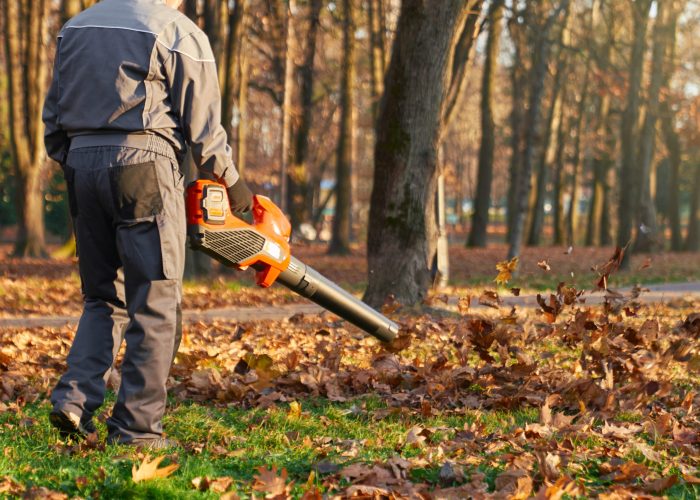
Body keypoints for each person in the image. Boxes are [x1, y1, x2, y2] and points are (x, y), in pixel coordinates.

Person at [42, 0, 252, 449]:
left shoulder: (74, 28)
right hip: (143, 164)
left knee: (103, 297)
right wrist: (233, 185)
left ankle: (74, 400)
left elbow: (53, 118)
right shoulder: (176, 30)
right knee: (155, 302)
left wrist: (77, 163)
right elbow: (203, 126)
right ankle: (137, 430)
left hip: (80, 164)